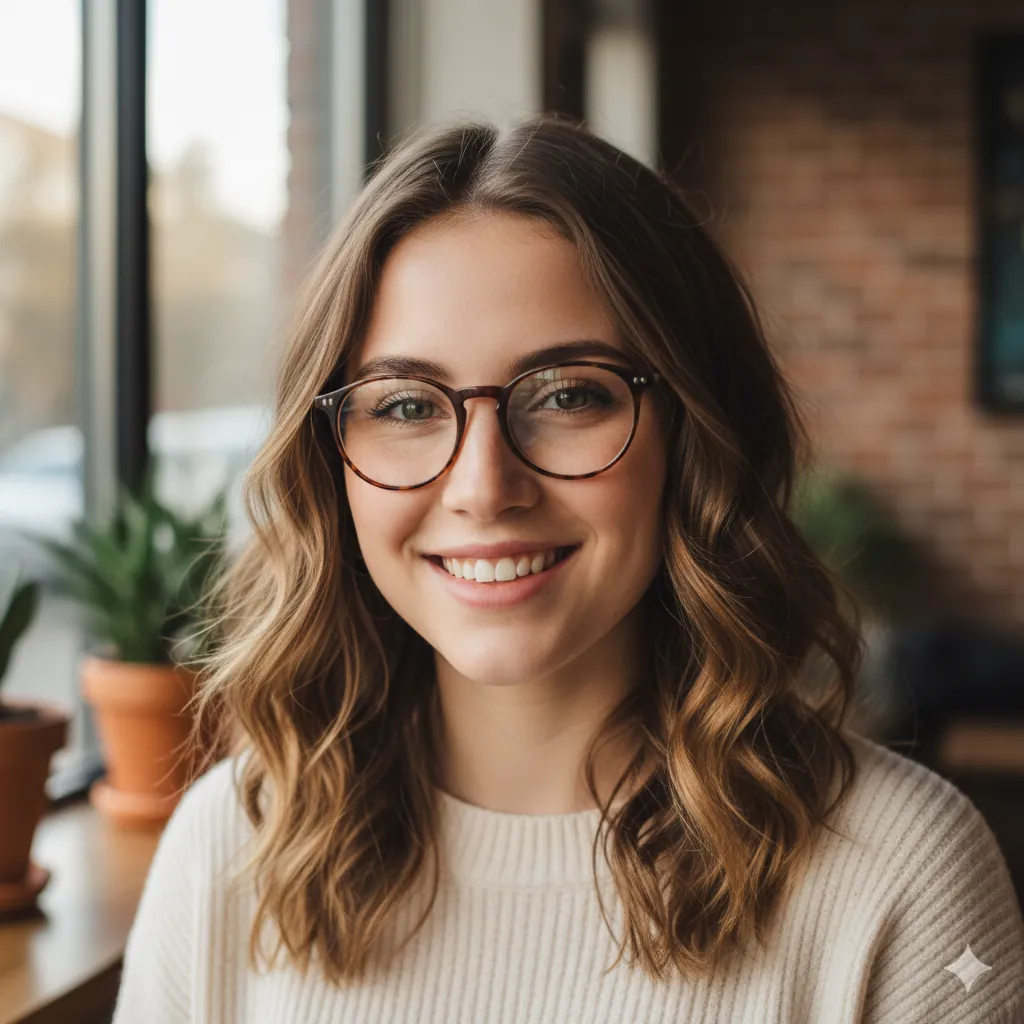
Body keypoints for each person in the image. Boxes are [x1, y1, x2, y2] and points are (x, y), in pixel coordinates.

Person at [111, 115, 1024, 1024]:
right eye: (403, 405)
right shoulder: (230, 849)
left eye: (569, 394)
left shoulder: (902, 877)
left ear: (696, 436)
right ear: (330, 462)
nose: (483, 486)